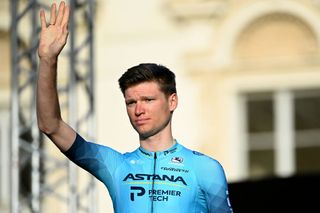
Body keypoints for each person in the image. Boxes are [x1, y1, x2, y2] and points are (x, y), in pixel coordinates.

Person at [37, 1, 233, 212]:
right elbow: (51, 126)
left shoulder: (205, 169)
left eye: (148, 100)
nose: (138, 110)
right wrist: (48, 60)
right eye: (131, 102)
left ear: (172, 101)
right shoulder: (115, 166)